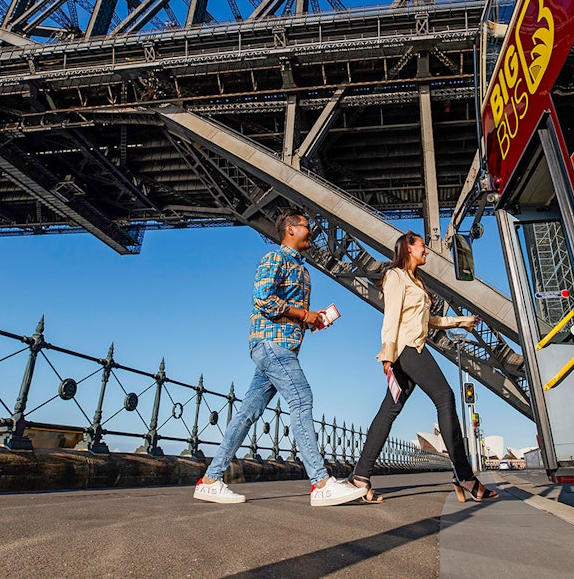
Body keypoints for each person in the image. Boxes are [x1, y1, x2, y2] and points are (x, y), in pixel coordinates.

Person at [194, 208, 366, 507]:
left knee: (248, 412)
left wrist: (312, 321)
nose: (311, 231)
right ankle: (321, 483)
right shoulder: (275, 258)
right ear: (290, 229)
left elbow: (289, 310)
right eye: (306, 226)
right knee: (301, 398)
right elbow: (262, 298)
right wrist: (303, 313)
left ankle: (210, 480)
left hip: (282, 346)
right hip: (271, 344)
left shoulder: (303, 269)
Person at [349, 231, 498, 504]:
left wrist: (460, 321)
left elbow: (429, 321)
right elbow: (391, 316)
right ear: (408, 248)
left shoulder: (416, 281)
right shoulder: (395, 276)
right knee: (445, 396)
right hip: (407, 349)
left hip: (412, 347)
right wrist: (387, 354)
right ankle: (464, 475)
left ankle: (361, 476)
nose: (427, 251)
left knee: (389, 411)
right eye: (422, 246)